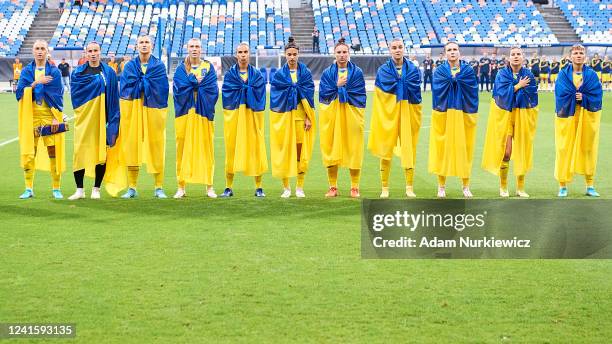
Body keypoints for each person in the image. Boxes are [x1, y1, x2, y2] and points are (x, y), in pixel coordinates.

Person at [368, 38, 422, 198]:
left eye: (400, 47)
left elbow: (416, 94)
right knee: (386, 149)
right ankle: (384, 188)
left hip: (407, 111)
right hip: (389, 113)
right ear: (390, 50)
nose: (397, 50)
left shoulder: (412, 69)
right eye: (394, 47)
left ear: (404, 49)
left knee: (409, 148)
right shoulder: (383, 70)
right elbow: (379, 95)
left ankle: (409, 187)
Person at [482, 46, 538, 198]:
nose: (515, 57)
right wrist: (518, 86)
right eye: (513, 54)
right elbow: (500, 94)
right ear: (509, 58)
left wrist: (516, 90)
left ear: (523, 57)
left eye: (518, 54)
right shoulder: (502, 74)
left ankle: (520, 188)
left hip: (522, 116)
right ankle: (503, 187)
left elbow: (532, 95)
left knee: (521, 152)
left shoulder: (529, 75)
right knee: (506, 153)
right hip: (506, 115)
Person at [68, 41, 121, 200]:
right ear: (86, 53)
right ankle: (79, 190)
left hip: (103, 119)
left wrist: (112, 119)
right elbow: (75, 96)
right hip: (84, 120)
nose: (93, 53)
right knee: (79, 152)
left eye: (95, 50)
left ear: (100, 52)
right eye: (90, 51)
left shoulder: (109, 73)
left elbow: (113, 96)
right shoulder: (78, 73)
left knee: (101, 154)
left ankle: (96, 189)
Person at [118, 35, 169, 199]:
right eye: (141, 42)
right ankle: (132, 187)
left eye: (147, 42)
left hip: (153, 109)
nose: (144, 45)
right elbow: (125, 88)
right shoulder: (129, 66)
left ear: (152, 46)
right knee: (132, 144)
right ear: (136, 46)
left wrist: (145, 84)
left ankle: (158, 187)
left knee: (156, 145)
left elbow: (162, 89)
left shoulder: (159, 66)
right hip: (133, 109)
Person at [16, 40, 66, 199]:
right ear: (33, 51)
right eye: (37, 48)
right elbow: (19, 93)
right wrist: (36, 82)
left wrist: (55, 117)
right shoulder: (26, 72)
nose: (39, 51)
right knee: (30, 152)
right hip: (31, 116)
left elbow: (58, 95)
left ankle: (56, 188)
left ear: (47, 51)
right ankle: (28, 188)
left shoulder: (54, 72)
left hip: (49, 116)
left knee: (53, 151)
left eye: (42, 48)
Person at [428, 42, 479, 198]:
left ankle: (465, 186)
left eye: (455, 49)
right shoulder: (440, 71)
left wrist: (457, 81)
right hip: (444, 113)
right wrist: (452, 81)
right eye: (449, 50)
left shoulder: (468, 70)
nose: (452, 52)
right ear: (444, 53)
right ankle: (441, 186)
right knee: (442, 149)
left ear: (459, 52)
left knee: (465, 148)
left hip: (463, 113)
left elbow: (472, 90)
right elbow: (437, 90)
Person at [319, 38, 366, 198]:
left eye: (344, 52)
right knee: (332, 148)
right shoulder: (327, 73)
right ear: (334, 54)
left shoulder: (357, 72)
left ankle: (354, 187)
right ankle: (333, 187)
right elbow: (323, 94)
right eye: (339, 52)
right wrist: (336, 86)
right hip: (333, 115)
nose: (342, 55)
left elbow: (360, 94)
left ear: (349, 53)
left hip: (352, 114)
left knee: (354, 148)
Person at [172, 38, 219, 199]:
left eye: (197, 46)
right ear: (187, 49)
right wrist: (194, 82)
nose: (194, 49)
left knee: (207, 148)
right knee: (182, 149)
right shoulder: (181, 69)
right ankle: (181, 186)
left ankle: (209, 186)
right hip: (185, 113)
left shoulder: (208, 67)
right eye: (191, 46)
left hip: (203, 113)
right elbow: (178, 89)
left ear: (201, 49)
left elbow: (212, 89)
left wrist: (195, 84)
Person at [554, 44, 603, 197]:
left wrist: (584, 98)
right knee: (563, 149)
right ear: (570, 56)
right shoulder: (563, 74)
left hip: (586, 117)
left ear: (585, 56)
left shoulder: (592, 75)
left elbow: (597, 96)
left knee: (588, 149)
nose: (579, 55)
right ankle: (562, 185)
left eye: (581, 53)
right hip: (567, 118)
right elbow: (560, 94)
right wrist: (574, 96)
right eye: (576, 53)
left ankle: (590, 185)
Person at [270, 37, 316, 198]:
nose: (291, 57)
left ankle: (300, 187)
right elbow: (275, 97)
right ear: (284, 55)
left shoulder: (305, 73)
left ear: (298, 54)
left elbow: (309, 96)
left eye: (294, 54)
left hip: (300, 118)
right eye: (289, 54)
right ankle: (286, 188)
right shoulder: (279, 75)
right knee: (285, 151)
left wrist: (308, 117)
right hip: (285, 118)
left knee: (299, 153)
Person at [221, 42, 268, 197]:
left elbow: (261, 96)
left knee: (255, 149)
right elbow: (226, 96)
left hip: (252, 116)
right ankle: (228, 187)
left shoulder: (257, 75)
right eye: (240, 52)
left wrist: (247, 90)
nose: (242, 55)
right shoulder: (230, 75)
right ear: (236, 54)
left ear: (249, 54)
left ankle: (259, 187)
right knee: (231, 149)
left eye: (245, 52)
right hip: (235, 116)